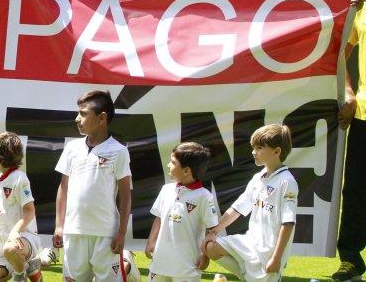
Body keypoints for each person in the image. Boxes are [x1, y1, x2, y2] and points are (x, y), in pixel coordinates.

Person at [53, 90, 132, 282]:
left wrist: (121, 233)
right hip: (74, 231)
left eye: (83, 113)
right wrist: (59, 225)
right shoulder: (72, 148)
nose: (77, 118)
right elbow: (63, 187)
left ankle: (129, 263)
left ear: (102, 118)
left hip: (106, 233)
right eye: (78, 113)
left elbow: (125, 195)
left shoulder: (119, 151)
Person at [204, 124, 298, 282]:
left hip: (268, 252)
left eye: (259, 147)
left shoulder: (287, 182)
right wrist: (213, 232)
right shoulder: (258, 178)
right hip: (249, 243)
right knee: (211, 247)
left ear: (276, 151)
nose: (254, 152)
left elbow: (288, 223)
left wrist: (277, 258)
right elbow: (238, 208)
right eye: (253, 147)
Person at [145, 142, 220, 282]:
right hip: (160, 261)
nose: (168, 165)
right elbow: (158, 218)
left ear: (186, 171)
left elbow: (211, 229)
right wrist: (151, 241)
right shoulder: (166, 189)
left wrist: (205, 255)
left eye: (173, 162)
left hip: (187, 267)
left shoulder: (204, 196)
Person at [333, 0, 366, 280]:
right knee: (355, 191)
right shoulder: (361, 11)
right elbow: (342, 51)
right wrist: (348, 91)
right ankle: (351, 258)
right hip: (364, 115)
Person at [0, 132, 40, 282]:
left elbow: (29, 210)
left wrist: (15, 232)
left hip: (22, 240)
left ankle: (20, 276)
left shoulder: (20, 178)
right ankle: (29, 266)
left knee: (10, 249)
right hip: (1, 250)